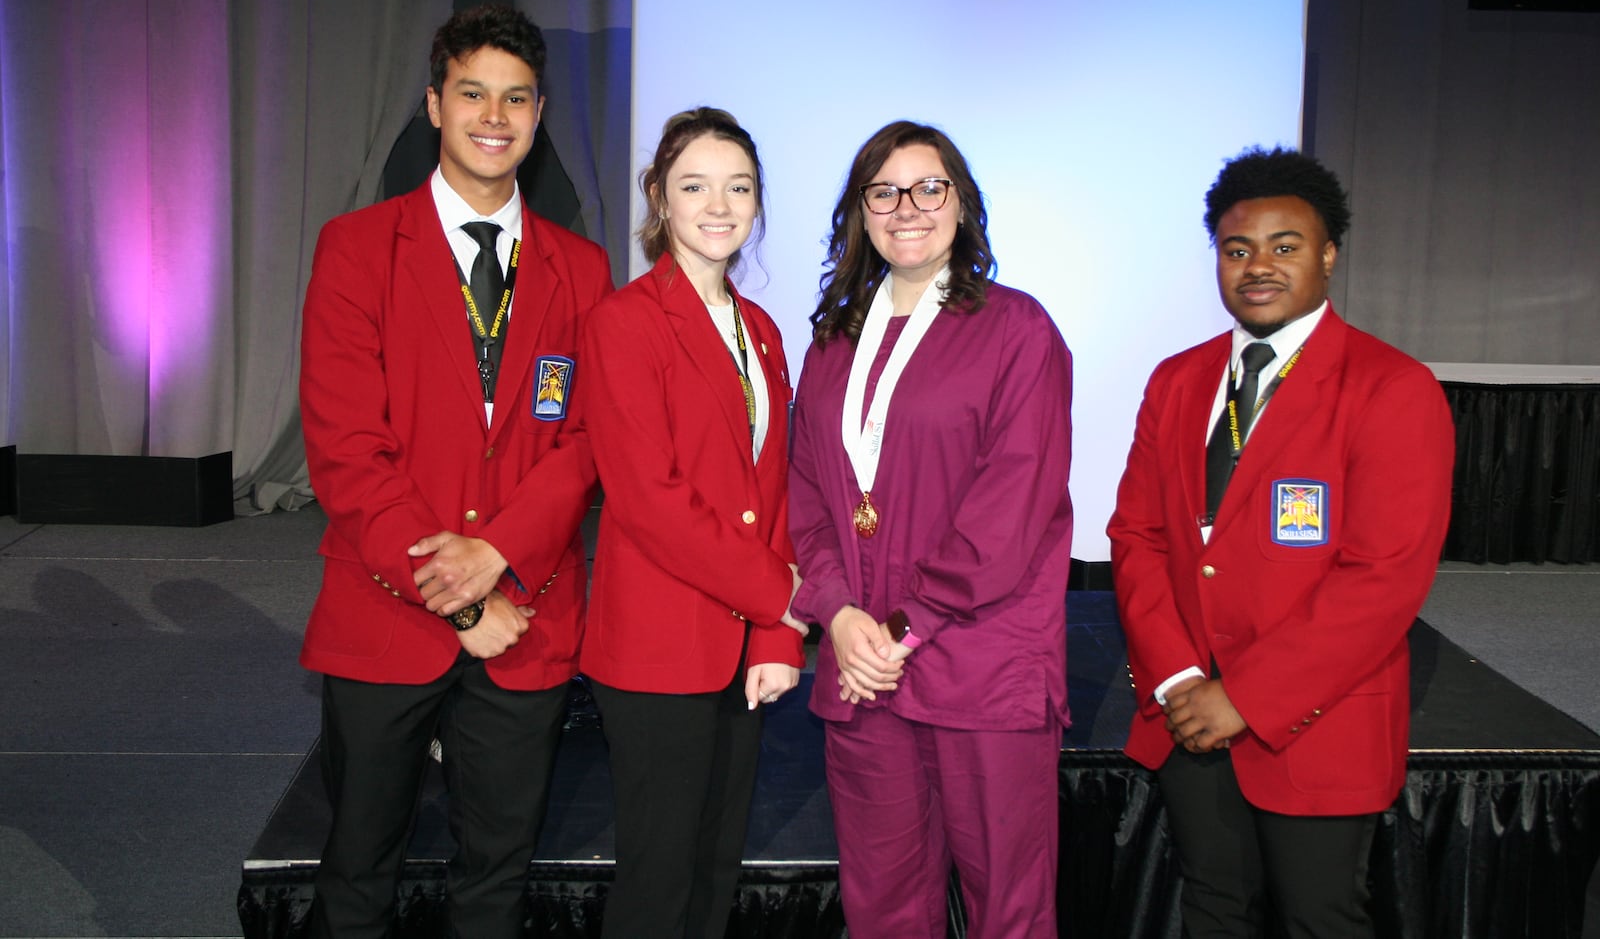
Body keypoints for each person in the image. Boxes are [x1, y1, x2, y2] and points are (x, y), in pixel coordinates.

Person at [298, 3, 613, 939]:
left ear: (539, 111)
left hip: (531, 610)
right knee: (357, 875)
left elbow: (587, 439)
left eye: (516, 97)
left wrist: (499, 557)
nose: (494, 114)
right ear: (435, 104)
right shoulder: (357, 250)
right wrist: (463, 596)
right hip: (387, 610)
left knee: (496, 885)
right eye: (472, 92)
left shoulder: (583, 270)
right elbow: (348, 454)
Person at [1108, 146, 1455, 938]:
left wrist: (1246, 696)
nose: (1257, 266)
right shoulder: (1176, 380)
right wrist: (1179, 679)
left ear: (1328, 255)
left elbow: (1383, 579)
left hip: (1317, 721)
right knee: (1214, 904)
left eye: (1285, 246)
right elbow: (1137, 535)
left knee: (1320, 917)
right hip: (1187, 709)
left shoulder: (1392, 387)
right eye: (1238, 249)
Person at [787, 120, 1074, 937]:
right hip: (864, 674)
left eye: (928, 187)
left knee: (1008, 912)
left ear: (961, 204)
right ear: (860, 212)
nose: (905, 206)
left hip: (980, 667)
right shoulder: (832, 342)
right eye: (884, 190)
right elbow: (805, 495)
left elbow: (1012, 507)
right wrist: (839, 615)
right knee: (882, 908)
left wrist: (904, 626)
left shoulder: (1019, 330)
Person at [576, 108, 806, 937]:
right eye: (695, 185)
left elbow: (774, 491)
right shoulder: (625, 322)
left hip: (743, 642)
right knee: (657, 881)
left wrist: (776, 637)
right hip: (656, 648)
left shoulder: (766, 332)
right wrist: (780, 596)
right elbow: (650, 500)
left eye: (738, 186)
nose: (720, 204)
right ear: (658, 199)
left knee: (715, 873)